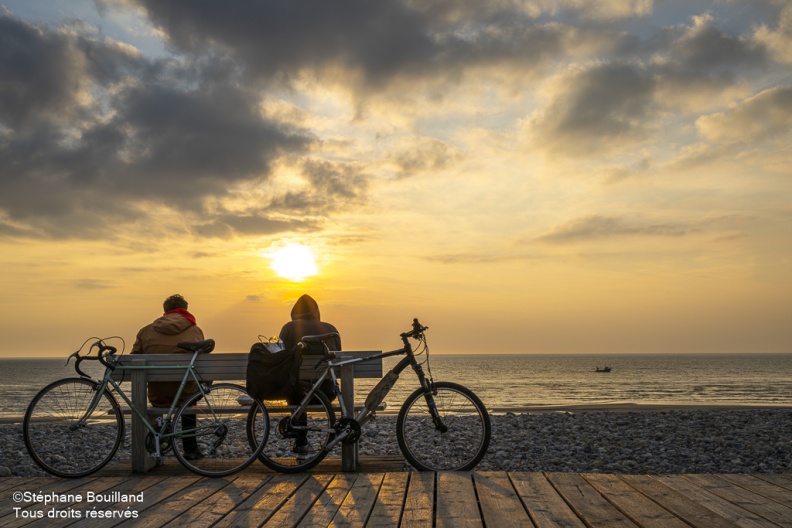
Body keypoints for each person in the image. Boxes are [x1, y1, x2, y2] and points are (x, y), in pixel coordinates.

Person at [132, 294, 205, 459]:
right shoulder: (195, 330)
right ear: (185, 310)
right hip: (185, 396)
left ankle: (159, 438)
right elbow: (201, 363)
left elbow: (133, 359)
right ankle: (191, 450)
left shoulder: (145, 331)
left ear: (165, 311)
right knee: (189, 396)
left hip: (157, 395)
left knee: (180, 392)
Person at [279, 294, 341, 457]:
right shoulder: (331, 329)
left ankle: (302, 443)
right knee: (305, 390)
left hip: (297, 394)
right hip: (326, 393)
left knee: (297, 391)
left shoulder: (288, 328)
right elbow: (338, 362)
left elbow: (281, 359)